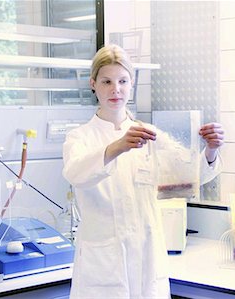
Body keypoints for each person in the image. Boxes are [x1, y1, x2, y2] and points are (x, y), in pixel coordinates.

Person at [62, 44, 224, 299]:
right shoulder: (80, 137)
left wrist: (211, 149)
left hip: (148, 258)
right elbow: (75, 173)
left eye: (123, 81)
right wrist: (116, 147)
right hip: (103, 267)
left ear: (132, 83)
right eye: (107, 81)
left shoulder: (149, 135)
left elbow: (189, 177)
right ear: (93, 84)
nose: (116, 89)